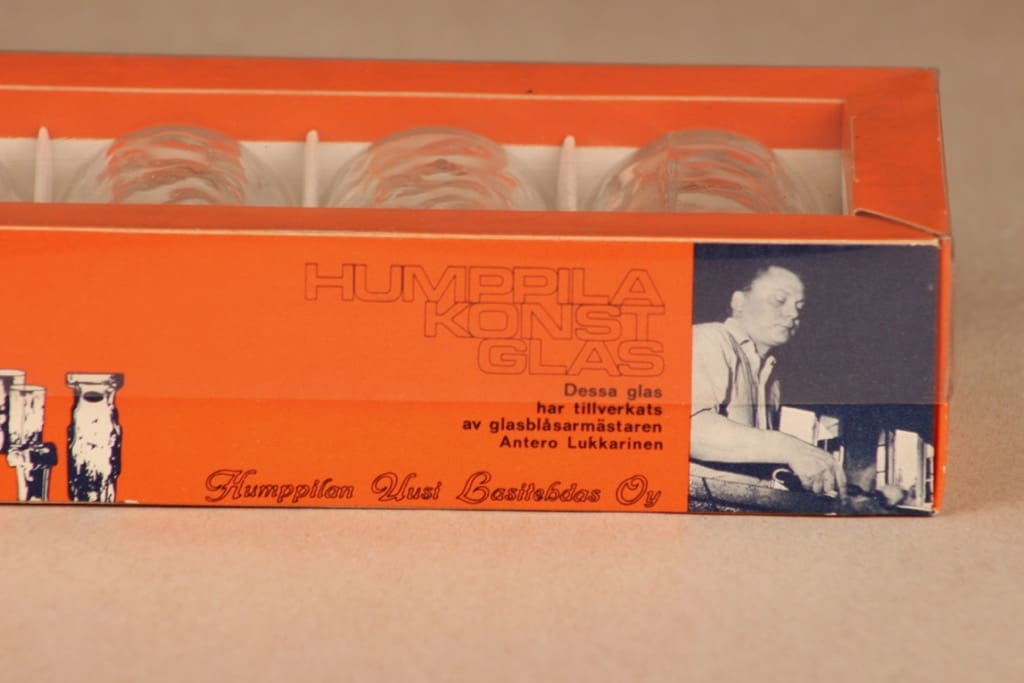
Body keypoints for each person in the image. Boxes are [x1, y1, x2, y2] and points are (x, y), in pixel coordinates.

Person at [690, 263, 846, 501]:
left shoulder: (771, 377)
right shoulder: (709, 338)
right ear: (739, 302)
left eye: (799, 307)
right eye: (779, 300)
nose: (793, 314)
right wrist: (790, 448)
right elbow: (688, 431)